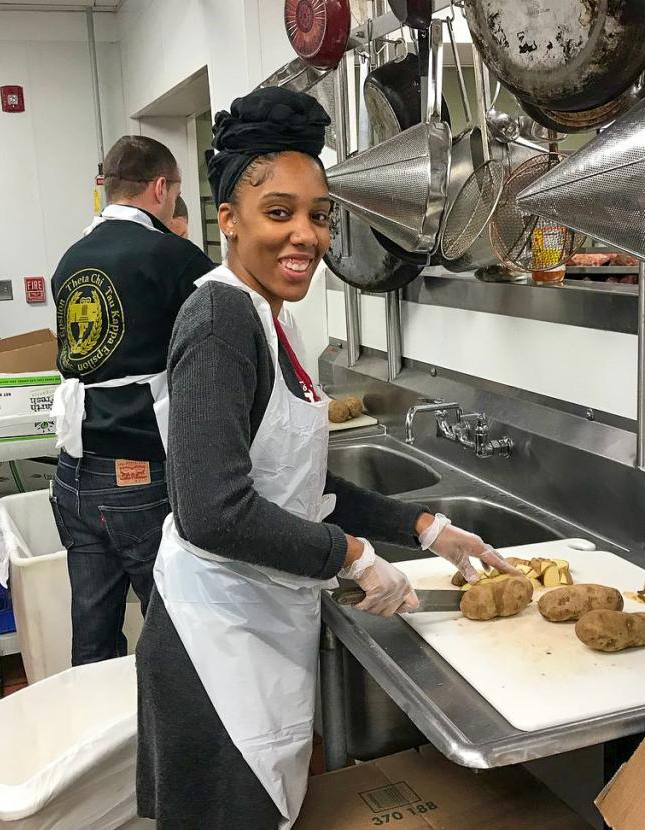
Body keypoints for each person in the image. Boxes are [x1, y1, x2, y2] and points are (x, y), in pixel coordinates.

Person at [135, 88, 517, 829]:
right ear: (228, 220)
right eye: (279, 212)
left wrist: (428, 526)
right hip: (213, 648)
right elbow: (211, 510)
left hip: (251, 627)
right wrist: (350, 555)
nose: (305, 234)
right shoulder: (218, 320)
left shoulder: (269, 317)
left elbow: (295, 481)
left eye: (318, 214)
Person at [49, 135, 214, 666]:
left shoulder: (71, 259)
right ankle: (176, 744)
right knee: (177, 631)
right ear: (161, 187)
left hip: (74, 475)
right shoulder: (172, 256)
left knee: (93, 638)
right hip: (138, 477)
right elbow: (215, 347)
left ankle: (102, 741)